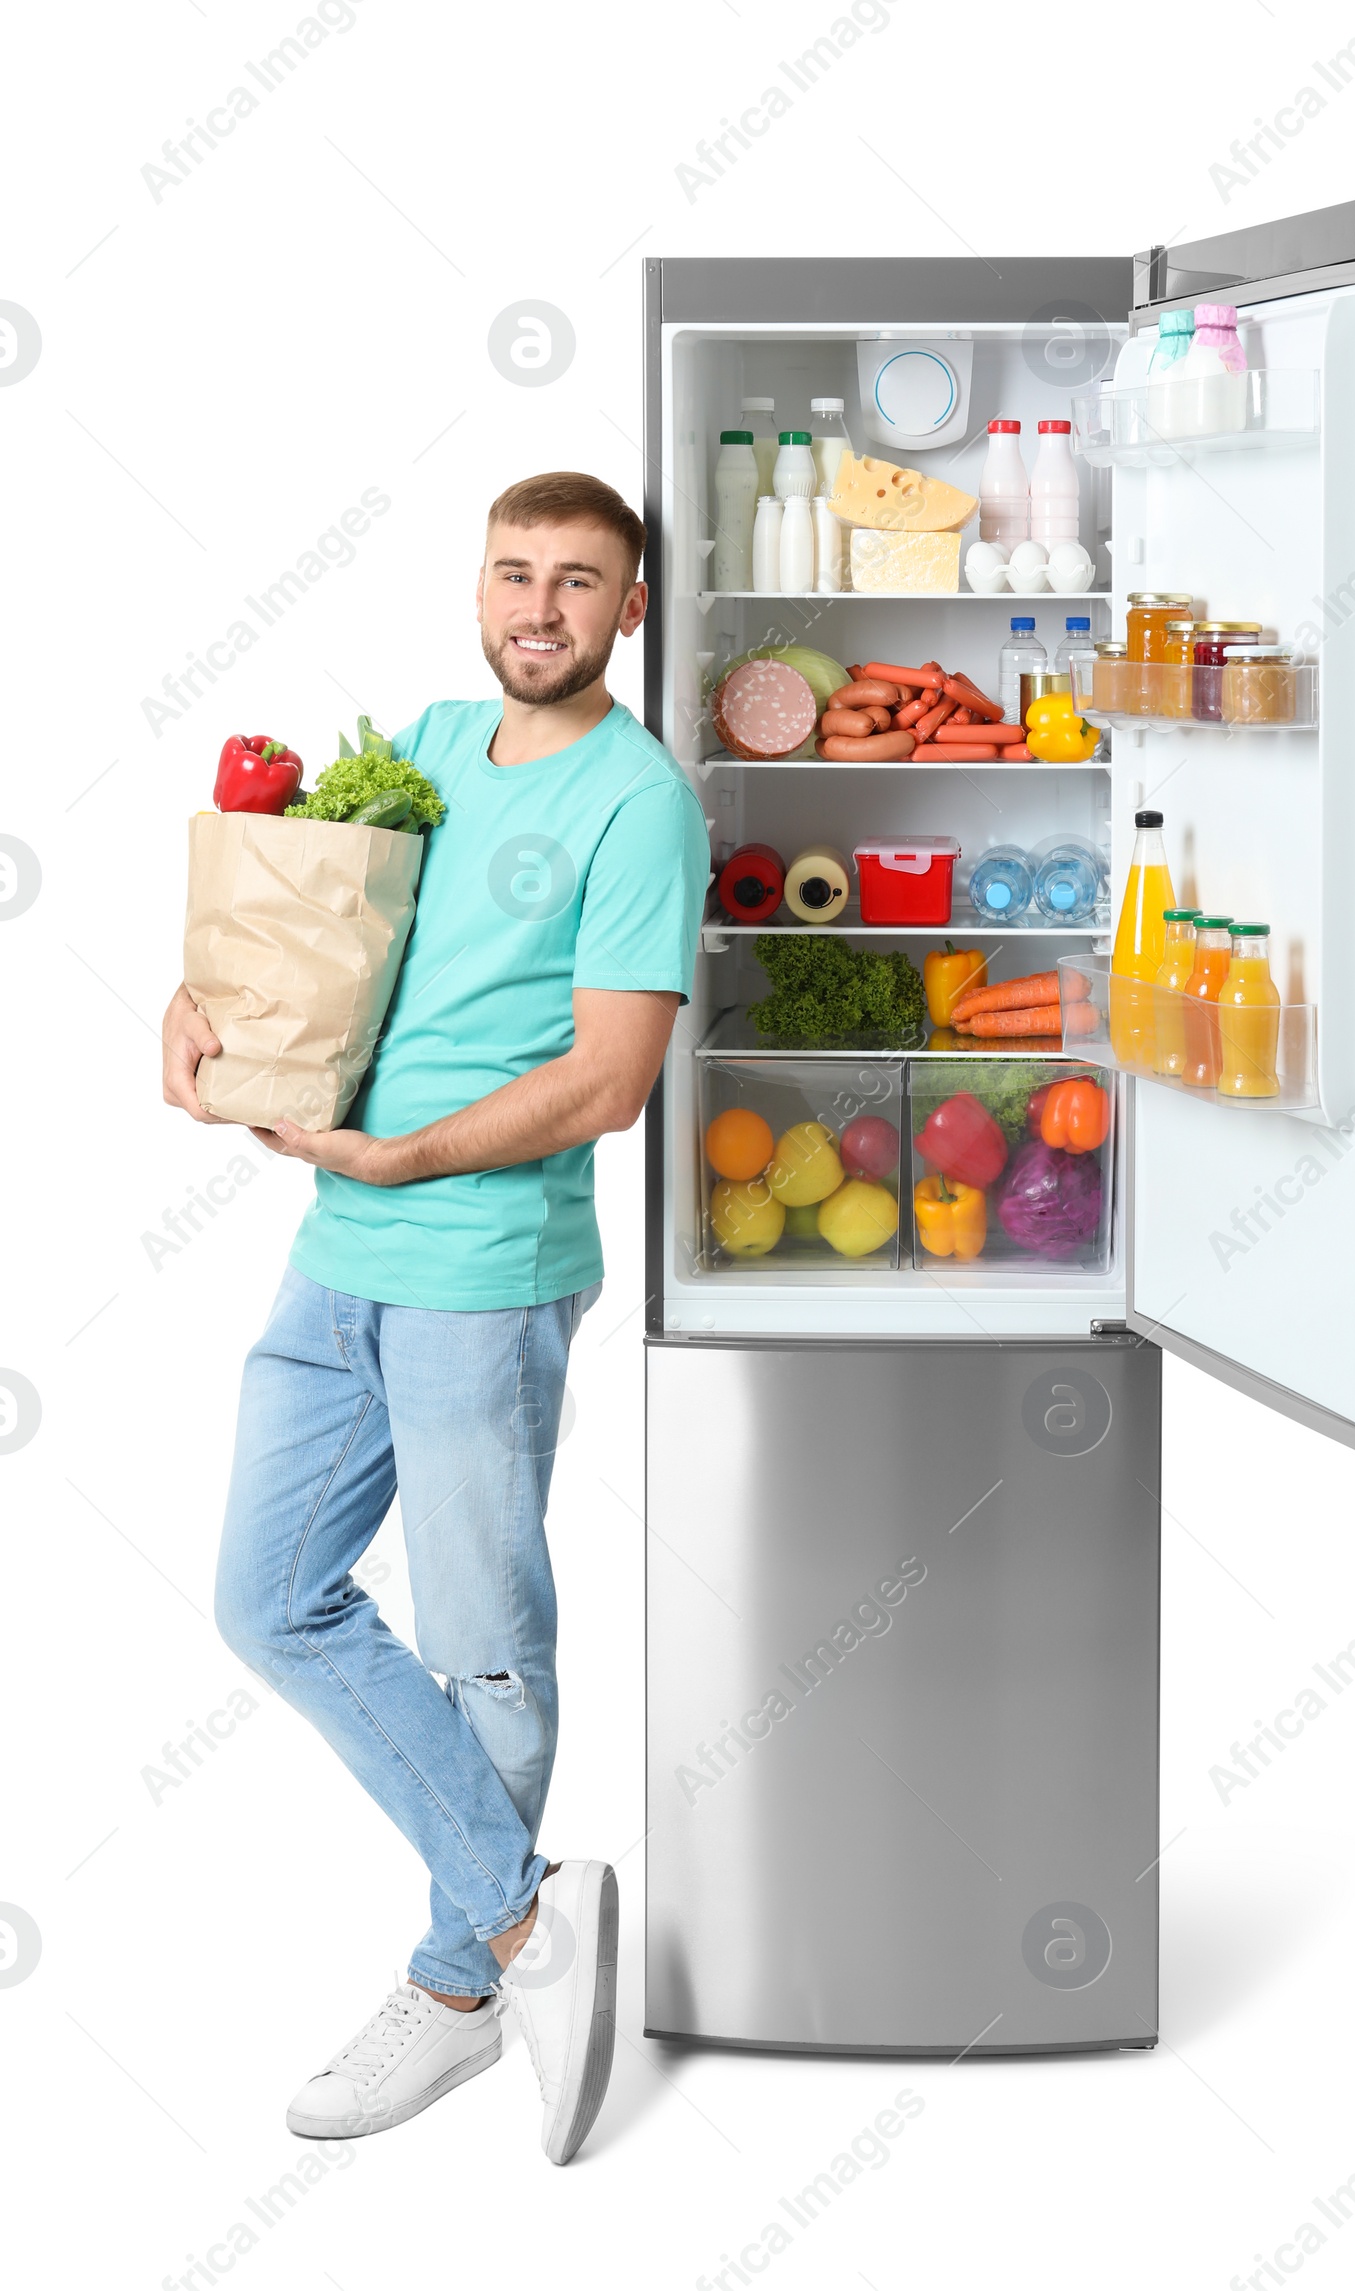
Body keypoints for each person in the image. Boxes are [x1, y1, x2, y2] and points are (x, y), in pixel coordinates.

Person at [162, 471, 709, 2163]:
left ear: (631, 611)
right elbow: (319, 931)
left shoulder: (643, 804)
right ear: (480, 589)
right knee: (269, 1600)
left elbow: (611, 1083)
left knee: (484, 1641)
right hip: (340, 1252)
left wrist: (402, 1156)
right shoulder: (428, 738)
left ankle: (460, 1989)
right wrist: (200, 996)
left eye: (578, 583)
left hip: (480, 1271)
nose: (537, 607)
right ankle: (530, 1922)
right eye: (511, 574)